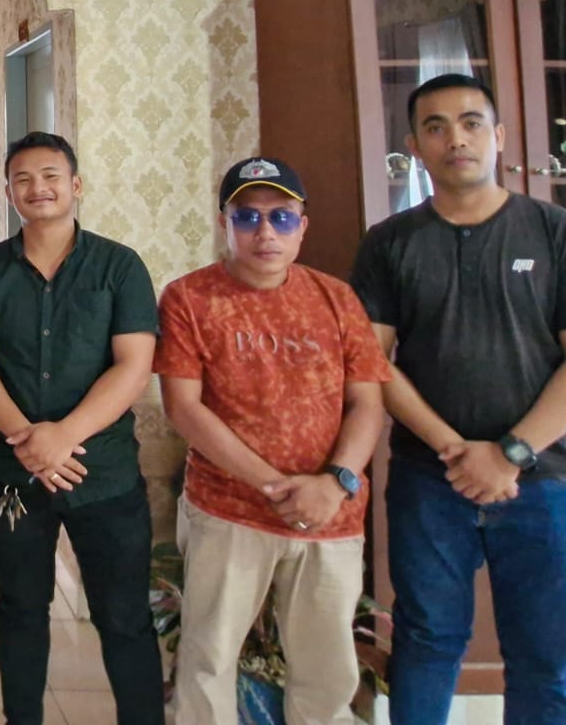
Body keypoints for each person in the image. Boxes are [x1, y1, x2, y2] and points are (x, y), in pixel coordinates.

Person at [351, 74, 566, 725]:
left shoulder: (552, 230)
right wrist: (454, 449)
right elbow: (370, 361)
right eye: (436, 127)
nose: (456, 139)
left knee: (547, 654)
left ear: (498, 136)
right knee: (427, 641)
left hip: (543, 479)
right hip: (429, 479)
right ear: (415, 145)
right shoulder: (389, 243)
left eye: (471, 123)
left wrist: (509, 454)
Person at [157, 156, 390, 725]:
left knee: (327, 669)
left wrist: (334, 483)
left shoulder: (338, 299)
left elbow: (367, 403)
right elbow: (184, 408)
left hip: (331, 515)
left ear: (302, 226)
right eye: (248, 217)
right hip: (229, 510)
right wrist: (276, 485)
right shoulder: (190, 298)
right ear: (225, 223)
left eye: (281, 217)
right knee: (208, 660)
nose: (266, 232)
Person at [0, 132, 163, 725]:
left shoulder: (119, 266)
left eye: (50, 176)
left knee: (124, 617)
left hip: (106, 475)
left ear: (75, 185)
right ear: (8, 193)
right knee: (20, 609)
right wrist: (29, 440)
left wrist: (62, 437)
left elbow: (134, 365)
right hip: (13, 474)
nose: (37, 188)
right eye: (22, 179)